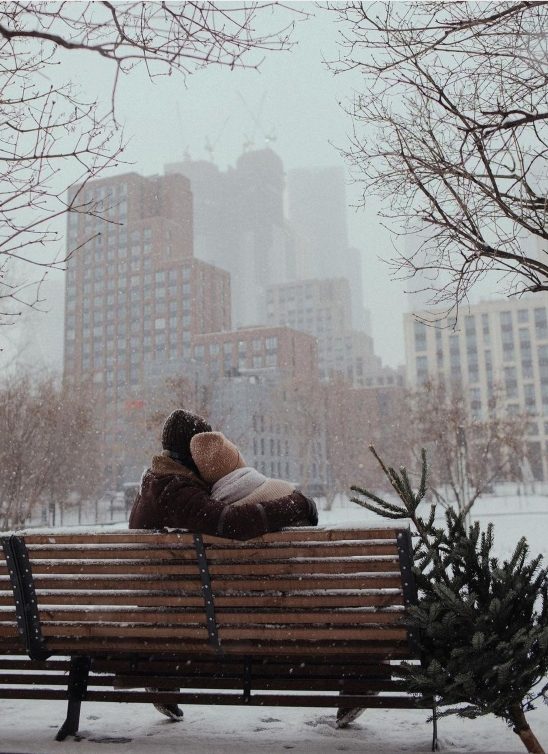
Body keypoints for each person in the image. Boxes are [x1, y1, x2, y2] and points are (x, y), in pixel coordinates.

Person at [129, 408, 318, 722]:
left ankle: (162, 678)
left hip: (166, 606)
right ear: (192, 454)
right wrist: (297, 503)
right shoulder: (175, 491)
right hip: (187, 610)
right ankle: (356, 675)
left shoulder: (154, 484)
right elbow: (230, 523)